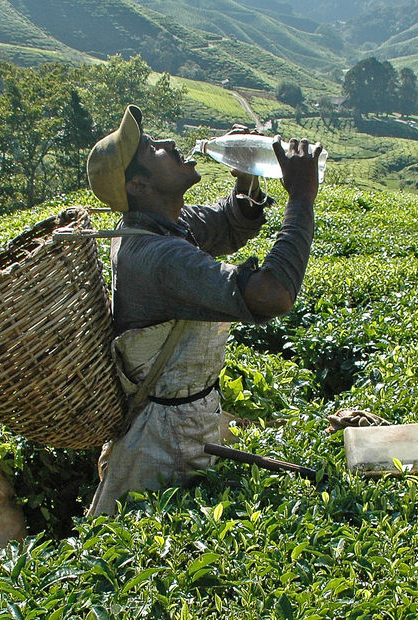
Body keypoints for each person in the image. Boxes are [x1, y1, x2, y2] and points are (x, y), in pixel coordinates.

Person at [84, 104, 321, 516]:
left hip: (188, 418)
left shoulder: (158, 223)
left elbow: (230, 223)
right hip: (162, 439)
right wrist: (300, 200)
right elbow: (273, 294)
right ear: (140, 185)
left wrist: (247, 171)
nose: (169, 144)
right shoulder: (156, 254)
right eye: (153, 149)